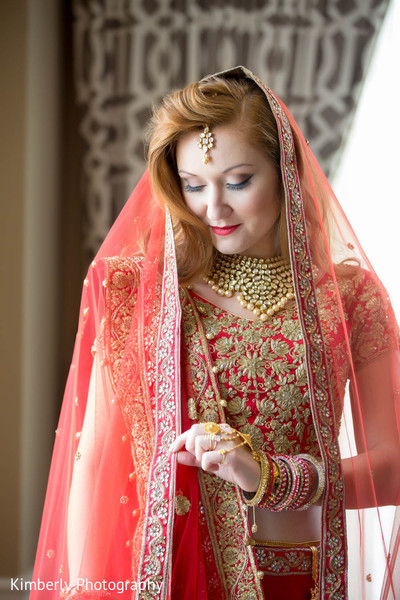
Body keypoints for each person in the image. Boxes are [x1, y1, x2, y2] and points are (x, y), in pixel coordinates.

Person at [31, 66, 400, 600]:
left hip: (301, 581)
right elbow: (93, 483)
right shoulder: (143, 298)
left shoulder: (350, 298)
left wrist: (270, 477)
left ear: (286, 171)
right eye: (193, 185)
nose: (214, 208)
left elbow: (391, 469)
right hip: (171, 579)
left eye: (239, 181)